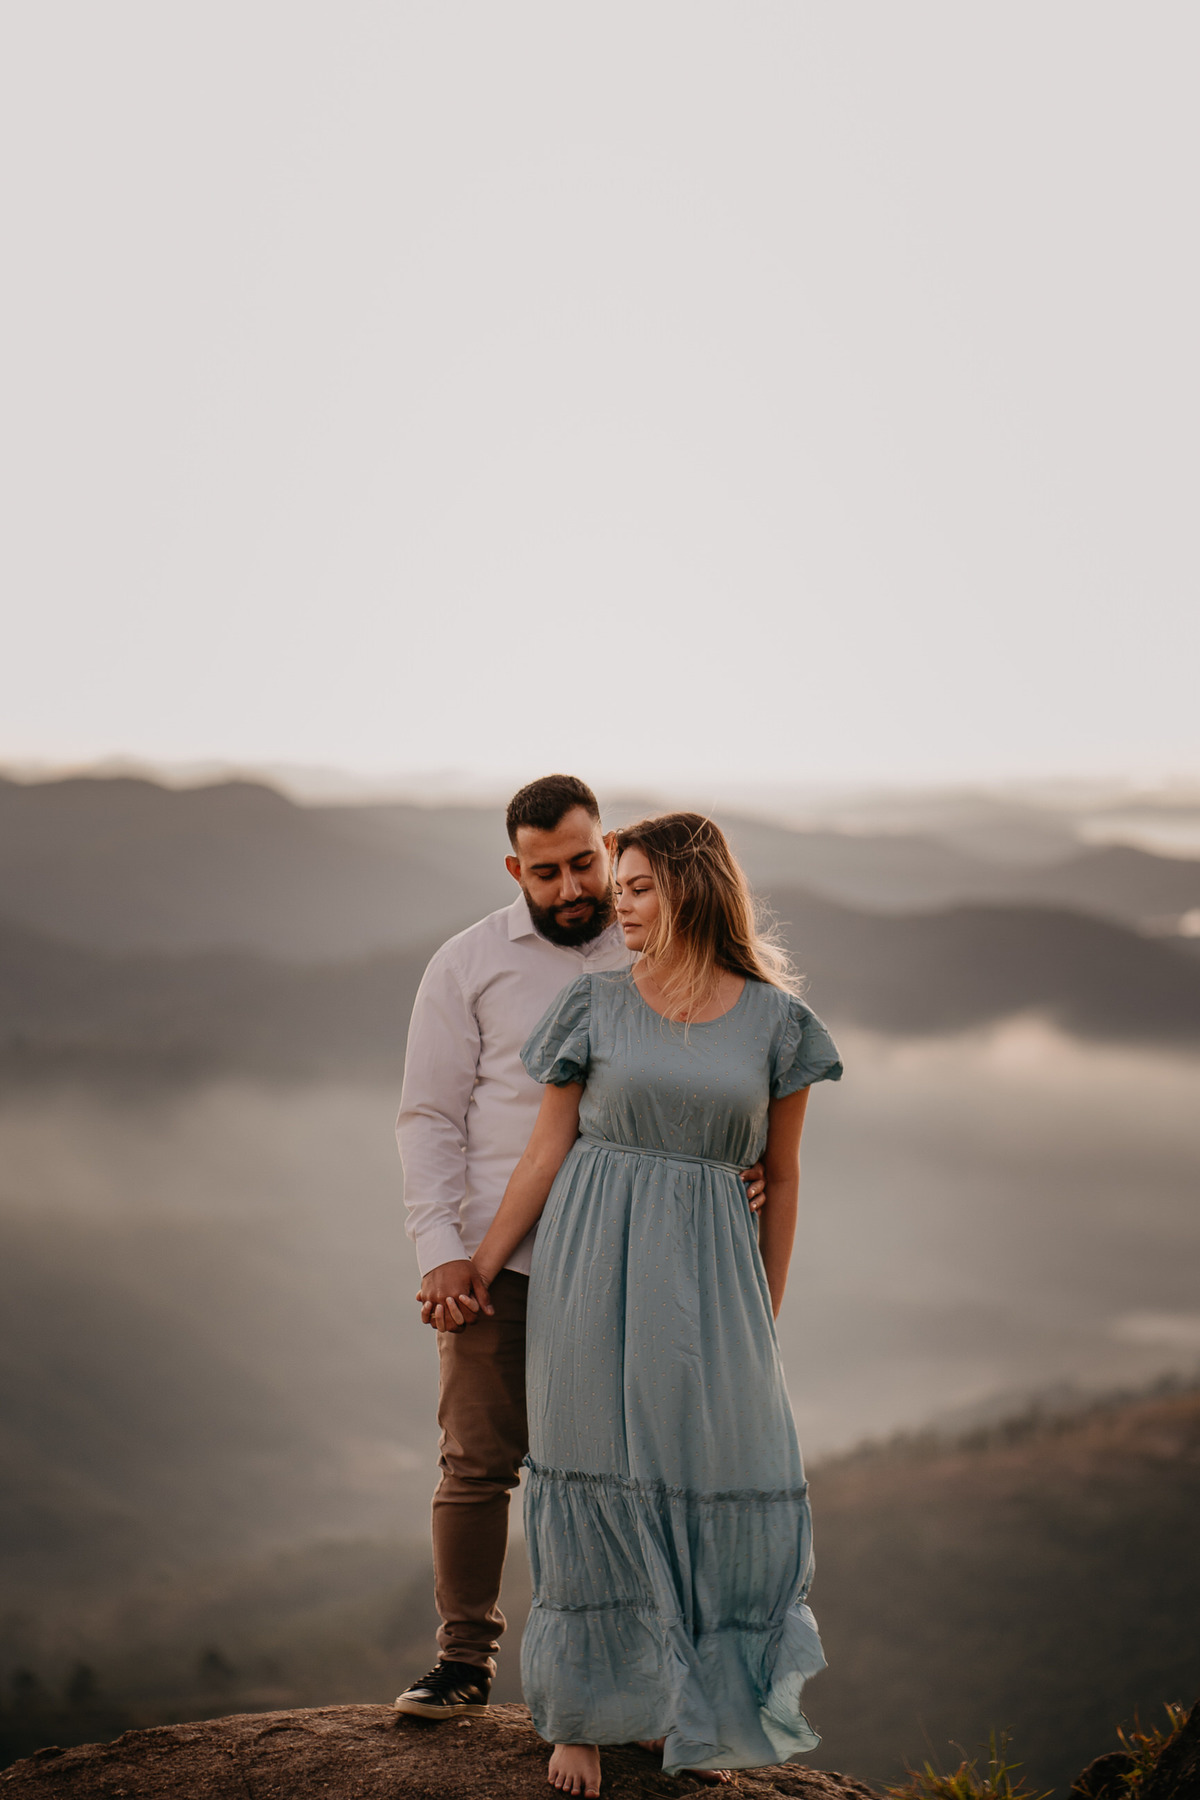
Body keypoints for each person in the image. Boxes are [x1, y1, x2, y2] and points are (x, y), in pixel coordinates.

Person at [457, 812, 842, 1796]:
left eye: (635, 888)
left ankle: (687, 1715)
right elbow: (546, 1150)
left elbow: (784, 1178)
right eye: (616, 887)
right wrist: (478, 1265)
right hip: (590, 1262)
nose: (615, 906)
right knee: (588, 1471)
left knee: (698, 1482)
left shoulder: (777, 1023)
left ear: (691, 889)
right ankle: (581, 1717)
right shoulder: (594, 1005)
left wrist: (766, 1308)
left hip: (712, 1280)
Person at [394, 777, 767, 1721]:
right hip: (499, 1259)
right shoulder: (467, 965)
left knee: (628, 1469)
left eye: (585, 864)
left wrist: (745, 1165)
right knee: (477, 1460)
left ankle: (635, 1680)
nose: (572, 888)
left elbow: (724, 1070)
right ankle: (462, 1661)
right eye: (547, 871)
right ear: (515, 868)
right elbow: (430, 1115)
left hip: (632, 1262)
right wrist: (444, 1249)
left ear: (607, 850)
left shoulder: (657, 943)